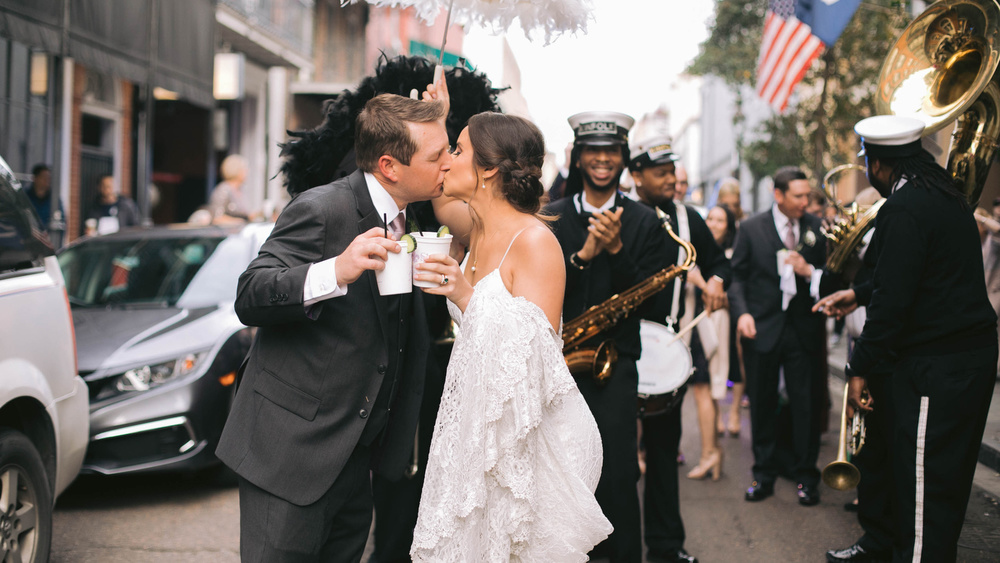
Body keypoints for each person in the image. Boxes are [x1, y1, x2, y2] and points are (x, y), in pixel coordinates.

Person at [215, 90, 451, 563]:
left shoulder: (412, 218)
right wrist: (334, 271)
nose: (448, 164)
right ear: (389, 166)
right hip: (288, 456)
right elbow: (250, 294)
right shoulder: (321, 208)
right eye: (438, 155)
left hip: (354, 460)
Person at [408, 111, 612, 560]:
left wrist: (466, 296)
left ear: (488, 169)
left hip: (528, 439)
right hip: (476, 421)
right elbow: (441, 199)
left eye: (456, 150)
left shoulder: (535, 242)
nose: (445, 161)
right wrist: (440, 115)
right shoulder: (476, 226)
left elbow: (534, 357)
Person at [815, 115, 998, 563]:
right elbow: (919, 276)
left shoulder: (905, 206)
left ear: (878, 164)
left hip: (939, 366)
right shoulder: (939, 194)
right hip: (948, 360)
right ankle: (880, 543)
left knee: (925, 490)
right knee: (905, 472)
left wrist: (858, 370)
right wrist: (856, 294)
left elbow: (894, 304)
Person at [543, 111, 671, 563]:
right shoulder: (550, 219)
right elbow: (542, 297)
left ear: (623, 158)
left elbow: (658, 309)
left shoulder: (647, 222)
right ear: (578, 158)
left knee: (618, 478)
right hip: (558, 367)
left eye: (611, 152)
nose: (602, 160)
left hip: (615, 368)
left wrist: (616, 253)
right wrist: (583, 256)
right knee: (560, 476)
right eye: (593, 151)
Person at [627, 135, 729, 563]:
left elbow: (717, 261)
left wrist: (718, 282)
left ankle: (666, 546)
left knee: (665, 453)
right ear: (636, 177)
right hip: (622, 350)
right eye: (660, 172)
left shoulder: (688, 218)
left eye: (673, 171)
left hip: (669, 350)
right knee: (613, 457)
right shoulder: (622, 215)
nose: (671, 179)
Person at [728, 166, 829, 506]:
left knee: (805, 404)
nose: (806, 202)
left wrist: (810, 271)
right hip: (762, 328)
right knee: (762, 403)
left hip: (803, 331)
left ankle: (806, 476)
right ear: (779, 195)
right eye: (798, 196)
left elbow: (833, 276)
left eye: (807, 195)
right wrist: (742, 313)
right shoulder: (751, 228)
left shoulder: (817, 228)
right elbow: (737, 276)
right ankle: (764, 474)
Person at [703, 204, 745, 437]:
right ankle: (717, 413)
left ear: (729, 227)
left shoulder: (735, 251)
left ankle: (736, 411)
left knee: (736, 366)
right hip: (711, 316)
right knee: (712, 366)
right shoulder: (701, 249)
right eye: (710, 218)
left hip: (732, 316)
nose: (713, 224)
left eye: (719, 220)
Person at [209, 154, 257, 223]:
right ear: (236, 170)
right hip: (226, 232)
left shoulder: (240, 190)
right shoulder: (223, 189)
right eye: (244, 169)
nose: (247, 172)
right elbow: (217, 217)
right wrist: (238, 222)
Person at [24, 164, 62, 235]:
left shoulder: (55, 200)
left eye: (48, 178)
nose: (47, 180)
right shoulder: (25, 197)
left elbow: (61, 223)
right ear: (35, 178)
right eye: (43, 177)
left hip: (48, 240)